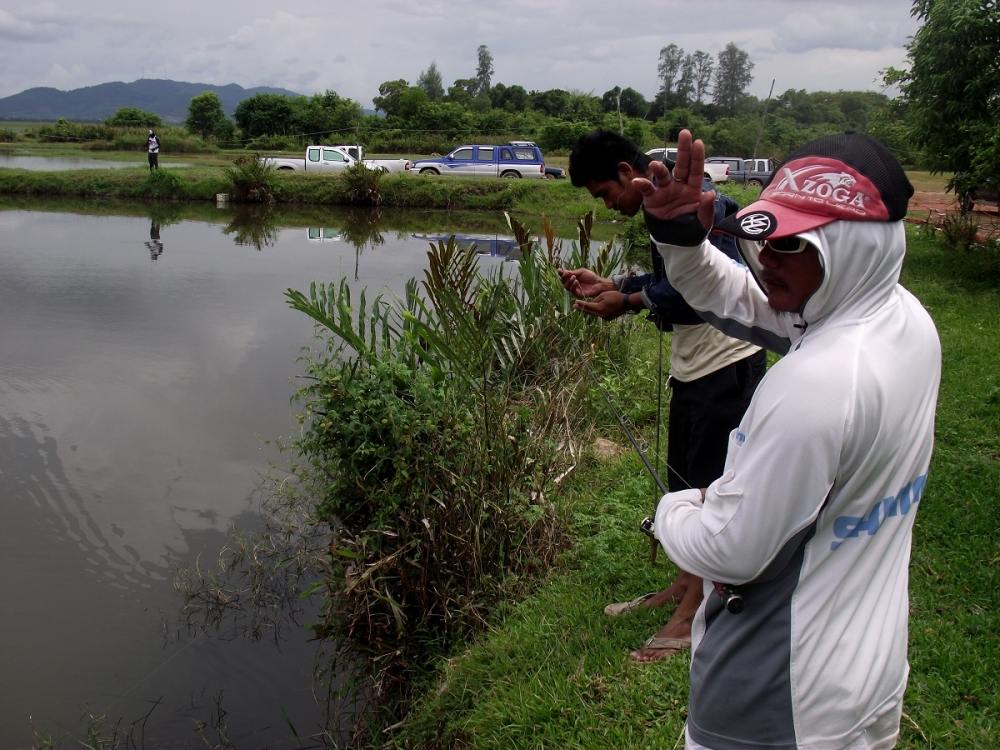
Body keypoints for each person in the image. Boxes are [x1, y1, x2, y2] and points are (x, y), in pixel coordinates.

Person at [635, 129, 941, 748]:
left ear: (854, 249)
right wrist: (680, 239)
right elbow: (737, 298)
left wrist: (674, 509)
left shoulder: (816, 384)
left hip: (778, 699)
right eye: (765, 233)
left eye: (794, 243)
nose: (768, 256)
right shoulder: (902, 321)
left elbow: (727, 551)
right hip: (865, 671)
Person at [560, 130, 766, 662]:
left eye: (605, 195)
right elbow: (668, 278)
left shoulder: (687, 203)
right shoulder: (659, 200)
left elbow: (701, 294)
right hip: (694, 370)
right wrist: (612, 283)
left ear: (627, 174)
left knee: (709, 493)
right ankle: (683, 583)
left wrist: (625, 300)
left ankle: (693, 613)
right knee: (686, 479)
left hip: (726, 365)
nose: (610, 206)